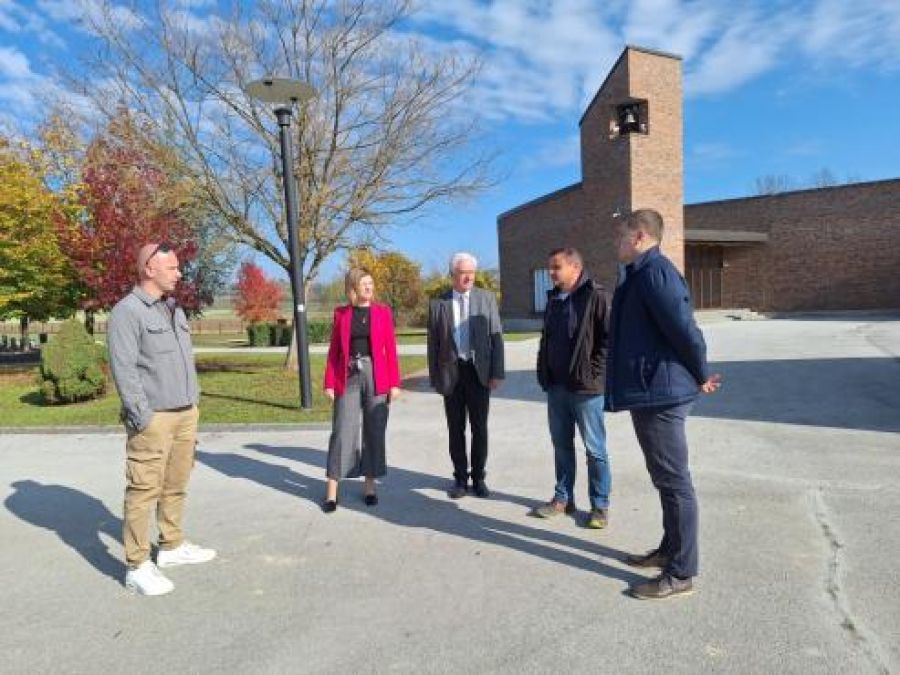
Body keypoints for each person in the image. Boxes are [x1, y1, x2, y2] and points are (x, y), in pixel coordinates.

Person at [606, 209, 721, 600]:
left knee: (675, 482)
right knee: (665, 480)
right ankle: (670, 550)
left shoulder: (655, 273)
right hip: (651, 390)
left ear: (639, 237)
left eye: (621, 237)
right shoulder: (640, 273)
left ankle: (682, 572)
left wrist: (700, 371)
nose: (616, 244)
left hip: (662, 392)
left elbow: (685, 328)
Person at [107, 243, 216, 597]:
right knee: (143, 490)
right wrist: (143, 416)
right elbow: (124, 369)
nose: (179, 273)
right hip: (153, 418)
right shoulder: (127, 312)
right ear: (149, 270)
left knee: (176, 483)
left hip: (185, 412)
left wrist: (193, 402)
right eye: (172, 267)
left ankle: (171, 546)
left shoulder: (174, 309)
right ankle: (137, 565)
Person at [531, 247, 612, 529]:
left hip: (586, 390)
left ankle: (600, 506)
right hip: (556, 388)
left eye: (556, 267)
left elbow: (608, 340)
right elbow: (547, 339)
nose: (551, 273)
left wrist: (593, 372)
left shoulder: (596, 295)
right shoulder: (553, 298)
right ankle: (563, 499)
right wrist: (544, 370)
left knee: (595, 449)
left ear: (575, 267)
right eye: (550, 267)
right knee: (561, 445)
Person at [322, 268, 401, 512]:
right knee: (342, 431)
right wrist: (328, 382)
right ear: (353, 287)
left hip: (376, 374)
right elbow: (334, 350)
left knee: (374, 431)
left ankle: (369, 486)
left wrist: (395, 383)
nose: (369, 287)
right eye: (364, 283)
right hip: (348, 375)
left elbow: (391, 348)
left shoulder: (382, 312)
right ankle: (332, 492)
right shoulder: (341, 314)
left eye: (371, 283)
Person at [427, 252, 505, 498]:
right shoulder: (438, 304)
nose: (468, 276)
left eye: (471, 272)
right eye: (463, 272)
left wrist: (497, 372)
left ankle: (479, 478)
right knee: (455, 428)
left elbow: (497, 338)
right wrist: (434, 377)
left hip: (478, 372)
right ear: (453, 275)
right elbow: (432, 344)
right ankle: (460, 479)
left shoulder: (487, 299)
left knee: (479, 428)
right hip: (452, 373)